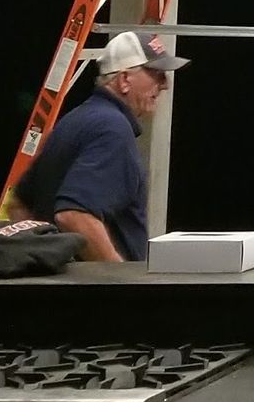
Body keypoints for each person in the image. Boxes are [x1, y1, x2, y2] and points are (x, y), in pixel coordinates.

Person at [15, 25, 186, 262]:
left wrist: (43, 263)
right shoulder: (113, 130)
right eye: (156, 74)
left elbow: (20, 206)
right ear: (124, 80)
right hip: (93, 285)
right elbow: (73, 215)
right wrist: (116, 277)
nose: (165, 84)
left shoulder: (74, 120)